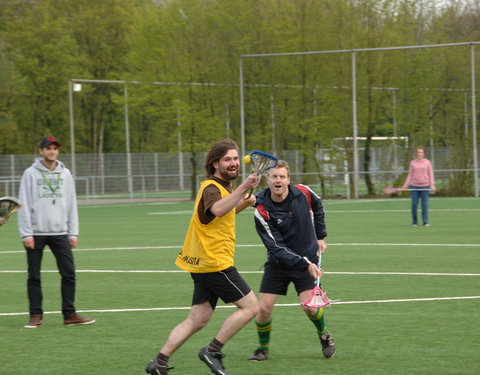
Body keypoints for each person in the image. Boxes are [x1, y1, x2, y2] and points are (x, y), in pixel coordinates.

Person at [145, 139, 261, 375]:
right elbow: (217, 209)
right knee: (251, 307)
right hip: (214, 262)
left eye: (236, 158)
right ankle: (212, 351)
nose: (234, 163)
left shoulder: (221, 187)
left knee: (197, 319)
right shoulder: (212, 187)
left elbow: (216, 216)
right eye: (227, 159)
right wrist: (242, 189)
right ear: (215, 163)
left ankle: (159, 362)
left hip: (203, 262)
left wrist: (242, 203)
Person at [249, 160, 336, 362]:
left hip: (308, 260)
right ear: (267, 180)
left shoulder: (303, 192)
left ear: (288, 180)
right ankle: (263, 348)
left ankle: (324, 334)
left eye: (282, 176)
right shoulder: (261, 208)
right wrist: (305, 263)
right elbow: (276, 247)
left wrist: (320, 236)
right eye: (274, 176)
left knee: (309, 306)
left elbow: (318, 204)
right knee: (263, 308)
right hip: (280, 263)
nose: (278, 180)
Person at [18, 136, 95, 328]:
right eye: (48, 148)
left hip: (60, 232)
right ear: (41, 151)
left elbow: (71, 204)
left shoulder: (65, 173)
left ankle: (69, 315)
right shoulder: (30, 173)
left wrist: (73, 232)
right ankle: (35, 315)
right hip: (36, 232)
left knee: (68, 273)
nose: (52, 152)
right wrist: (26, 233)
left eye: (55, 149)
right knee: (34, 275)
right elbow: (23, 204)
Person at [402, 146, 436, 227]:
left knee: (424, 204)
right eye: (418, 152)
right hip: (414, 186)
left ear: (424, 153)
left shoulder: (428, 162)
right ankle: (414, 222)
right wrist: (406, 184)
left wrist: (432, 185)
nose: (419, 154)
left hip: (425, 186)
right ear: (416, 153)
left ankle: (425, 222)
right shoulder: (412, 162)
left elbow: (430, 174)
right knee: (414, 204)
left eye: (421, 152)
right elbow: (410, 174)